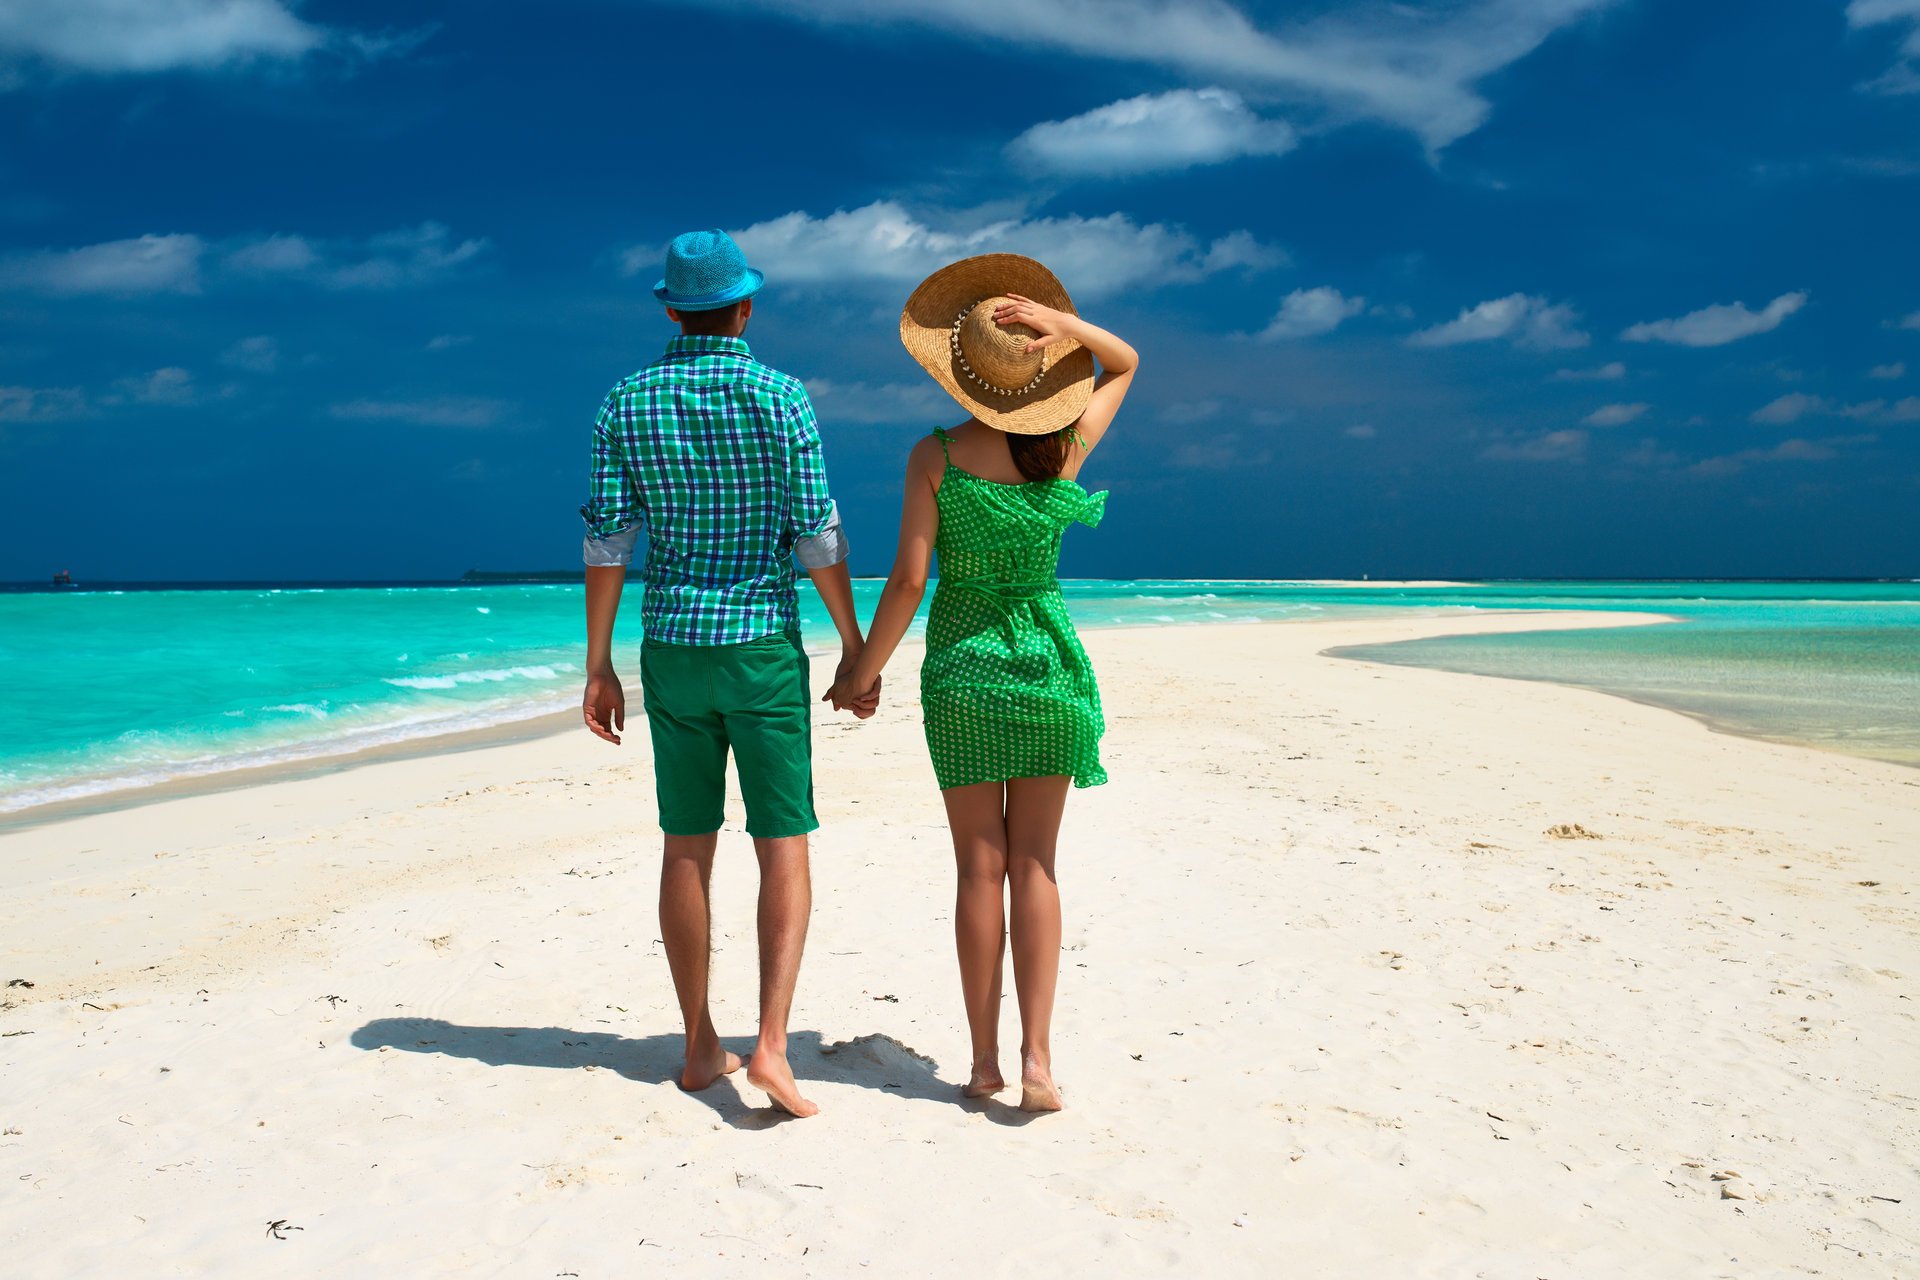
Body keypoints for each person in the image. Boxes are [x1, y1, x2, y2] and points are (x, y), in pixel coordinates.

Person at [826, 254, 1137, 1112]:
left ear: (962, 372)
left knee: (978, 870)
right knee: (1036, 867)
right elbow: (1127, 362)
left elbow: (907, 583)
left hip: (964, 669)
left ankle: (984, 1064)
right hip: (1048, 664)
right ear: (1038, 368)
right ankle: (1039, 1061)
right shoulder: (1064, 445)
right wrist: (1064, 327)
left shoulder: (936, 455)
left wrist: (862, 670)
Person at [579, 229, 875, 1119]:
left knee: (685, 845)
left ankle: (701, 1041)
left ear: (671, 309)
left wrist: (596, 664)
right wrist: (855, 644)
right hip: (758, 647)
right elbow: (814, 530)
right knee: (780, 841)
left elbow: (606, 540)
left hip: (672, 646)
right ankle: (774, 1047)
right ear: (744, 308)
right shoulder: (781, 397)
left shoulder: (623, 403)